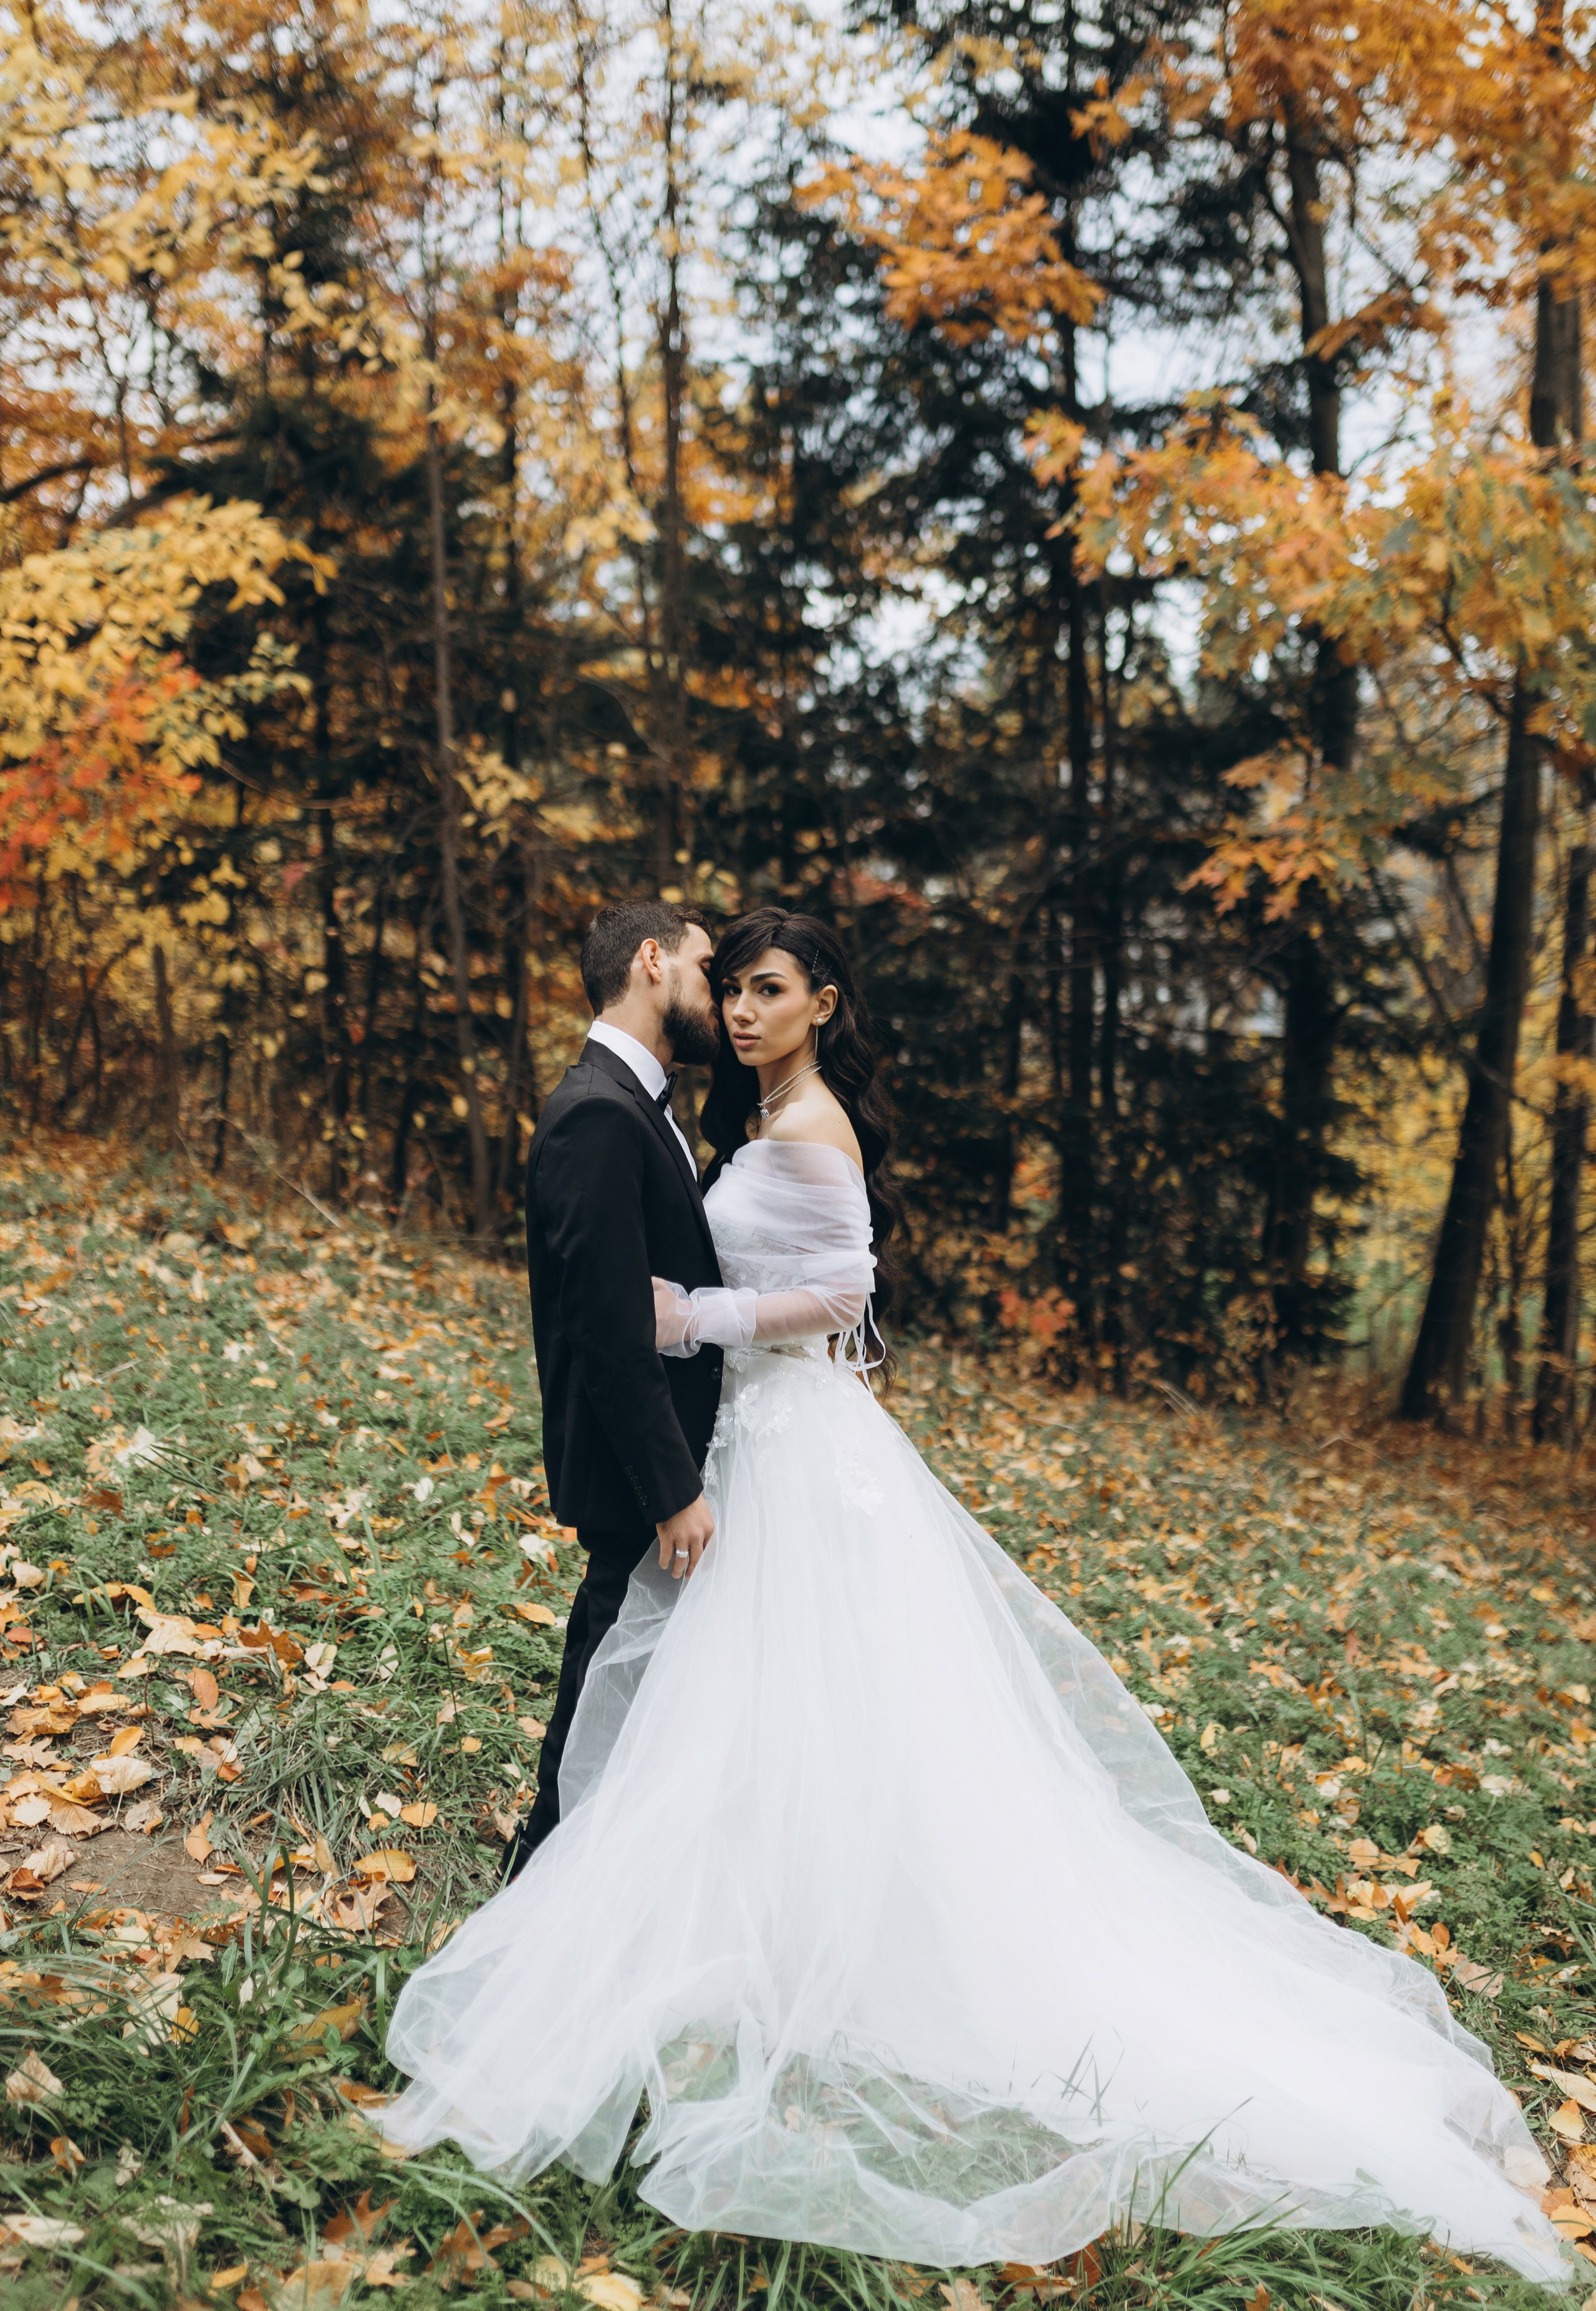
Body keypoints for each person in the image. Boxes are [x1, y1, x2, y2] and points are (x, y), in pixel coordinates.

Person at [381, 909, 1567, 2285]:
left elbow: (845, 1294)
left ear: (821, 1004)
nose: (746, 1009)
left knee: (785, 1690)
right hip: (754, 1446)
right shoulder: (744, 1116)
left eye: (769, 990)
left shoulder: (814, 1124)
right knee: (748, 1701)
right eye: (736, 987)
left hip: (794, 1446)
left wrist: (694, 1320)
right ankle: (724, 1919)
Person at [500, 898, 723, 1882]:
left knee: (633, 1684)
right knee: (605, 1683)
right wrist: (673, 1486)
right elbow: (608, 1327)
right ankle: (537, 1883)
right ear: (651, 961)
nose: (720, 997)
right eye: (709, 971)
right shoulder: (597, 1112)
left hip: (667, 1453)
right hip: (639, 1471)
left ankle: (587, 1878)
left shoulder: (642, 1104)